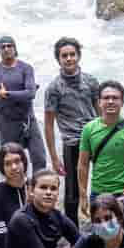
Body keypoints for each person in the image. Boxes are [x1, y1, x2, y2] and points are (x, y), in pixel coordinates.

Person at [43, 37, 100, 224]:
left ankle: (102, 222)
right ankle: (72, 234)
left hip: (95, 137)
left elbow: (99, 111)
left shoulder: (91, 81)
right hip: (72, 142)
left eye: (72, 54)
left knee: (102, 183)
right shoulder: (54, 88)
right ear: (58, 59)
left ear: (79, 56)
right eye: (64, 55)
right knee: (72, 191)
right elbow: (49, 124)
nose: (69, 59)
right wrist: (54, 157)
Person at [77, 81, 124, 211]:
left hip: (123, 194)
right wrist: (83, 195)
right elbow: (83, 165)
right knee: (100, 230)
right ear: (99, 102)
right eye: (106, 98)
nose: (111, 101)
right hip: (97, 193)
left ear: (122, 102)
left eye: (115, 98)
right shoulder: (89, 129)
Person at [0, 36, 46, 170]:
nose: (6, 49)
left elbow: (31, 94)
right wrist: (21, 94)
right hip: (7, 124)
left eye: (9, 46)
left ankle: (36, 188)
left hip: (28, 121)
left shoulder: (26, 68)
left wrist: (6, 94)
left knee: (39, 158)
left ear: (15, 48)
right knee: (11, 165)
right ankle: (17, 189)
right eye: (3, 47)